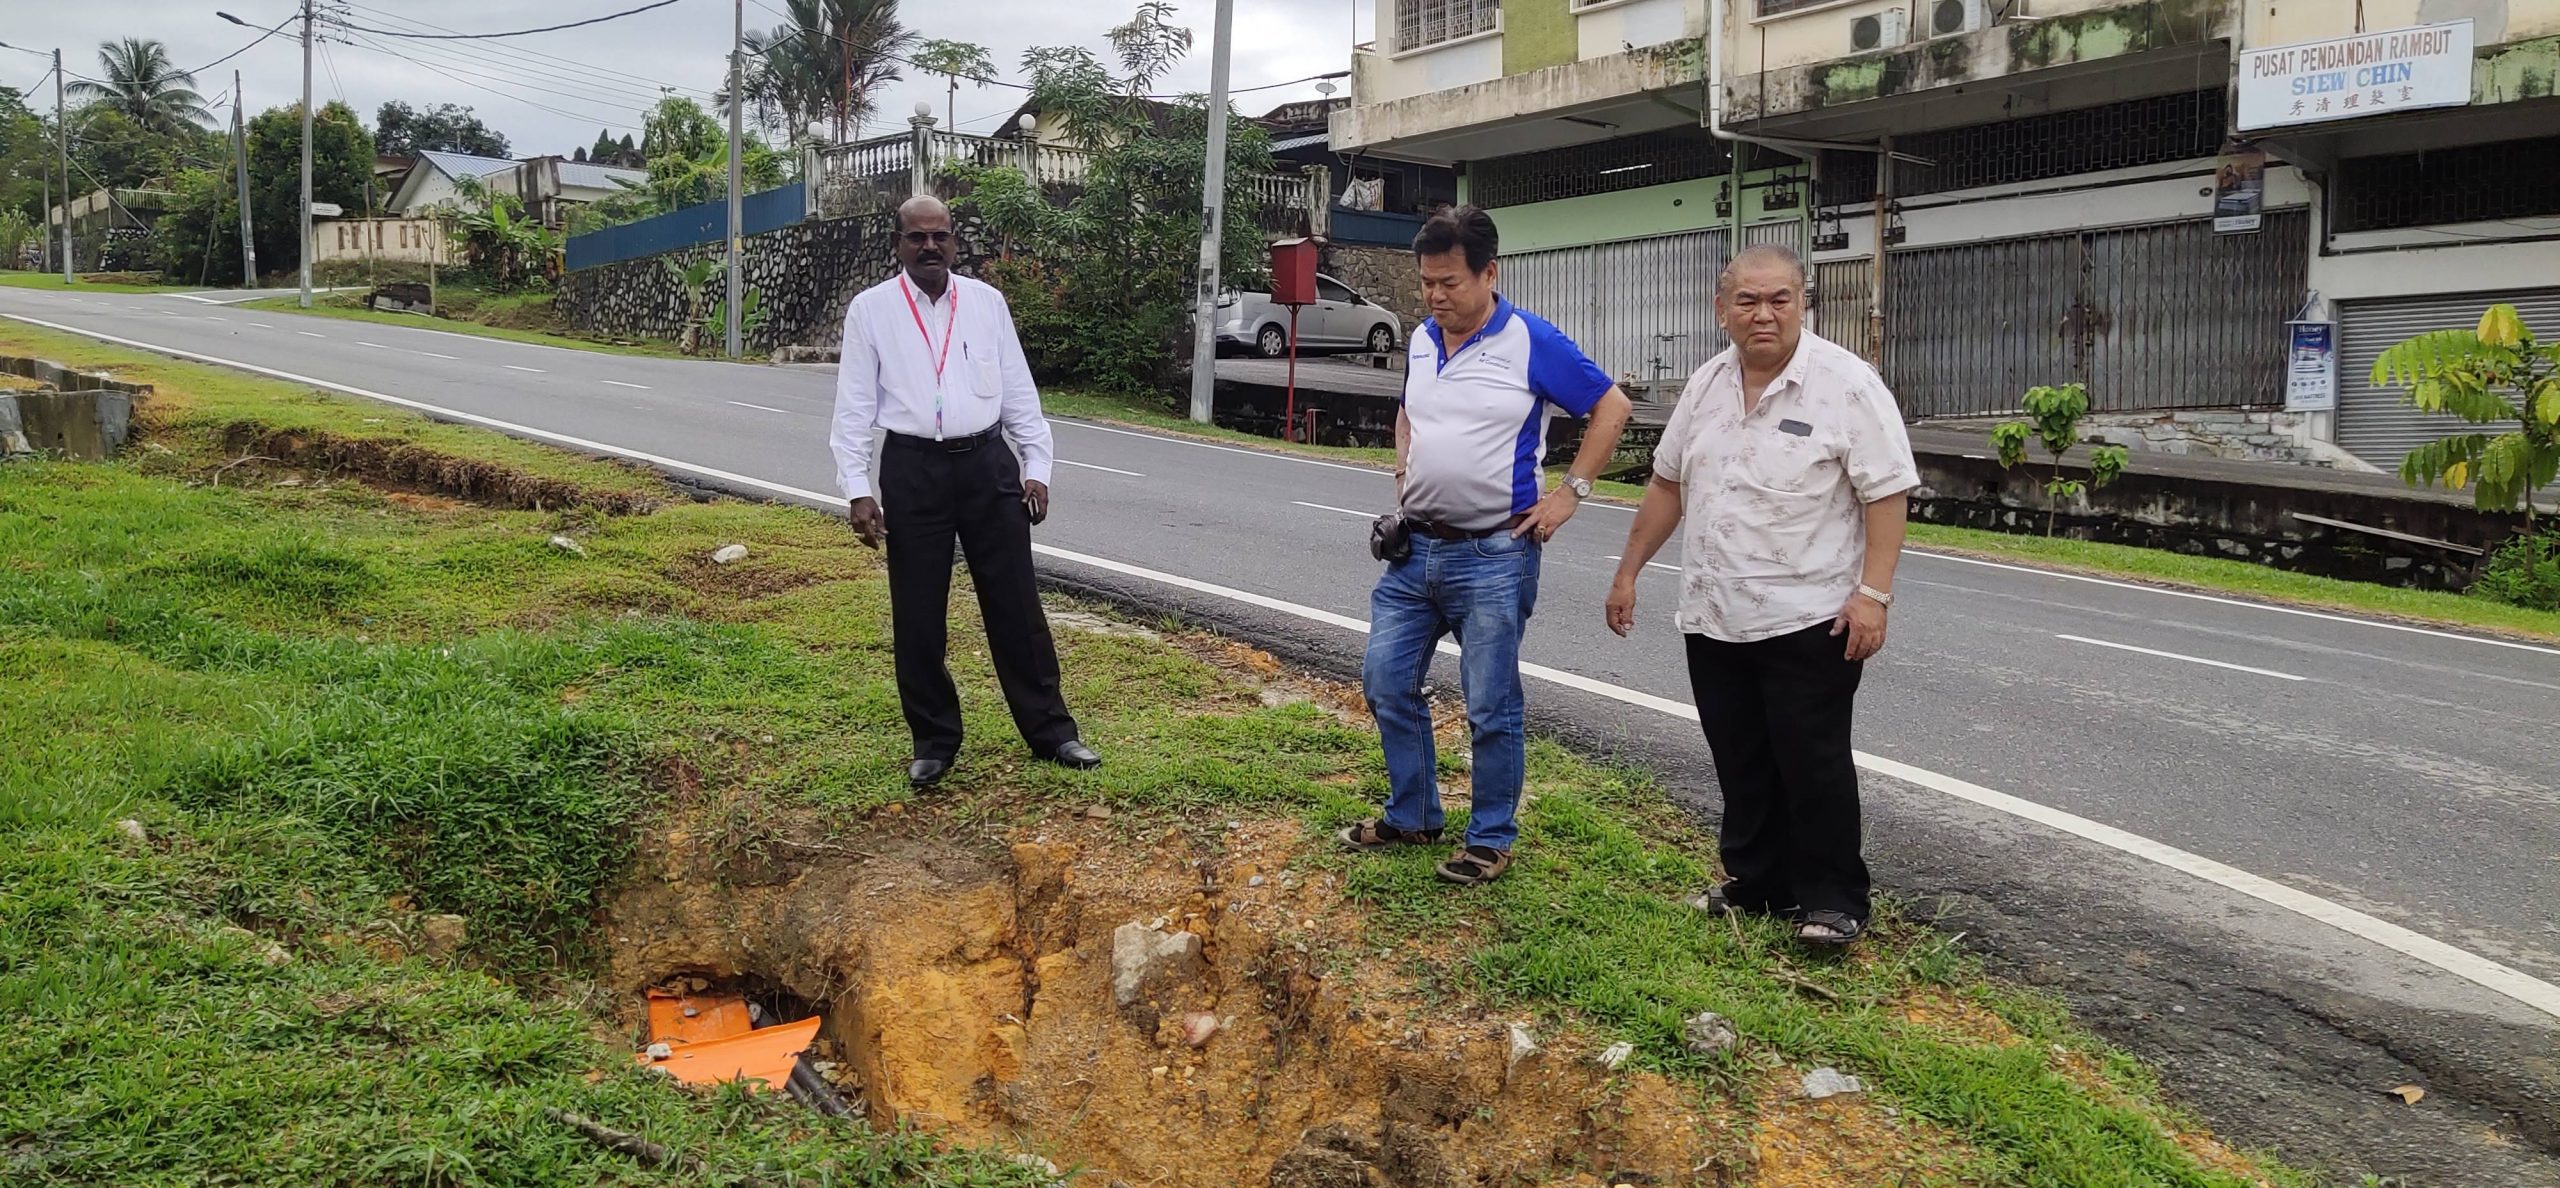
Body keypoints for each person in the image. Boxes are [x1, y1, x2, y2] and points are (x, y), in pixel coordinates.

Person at [1604, 244, 1918, 947]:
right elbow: (1667, 484)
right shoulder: (1706, 385)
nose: (1764, 314)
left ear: (1802, 303)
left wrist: (1874, 594)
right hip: (1715, 611)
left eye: (1779, 299)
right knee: (1740, 756)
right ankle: (1760, 885)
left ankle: (1835, 900)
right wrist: (1628, 571)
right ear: (1723, 311)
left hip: (1811, 615)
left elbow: (1886, 492)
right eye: (1747, 301)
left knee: (1811, 760)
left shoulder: (1847, 385)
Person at [1340, 205, 1634, 886]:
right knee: (1386, 680)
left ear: (1489, 273)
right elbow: (1411, 407)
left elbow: (1612, 406)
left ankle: (1490, 838)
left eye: (1449, 283)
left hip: (1494, 556)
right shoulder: (1421, 339)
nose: (1436, 296)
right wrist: (1403, 469)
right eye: (1427, 284)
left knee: (1489, 702)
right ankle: (1412, 814)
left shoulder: (1530, 340)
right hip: (1416, 552)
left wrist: (1571, 494)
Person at [830, 195, 1101, 789]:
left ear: (955, 242)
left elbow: (1018, 391)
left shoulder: (986, 304)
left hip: (986, 464)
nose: (930, 247)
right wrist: (858, 488)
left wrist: (1037, 466)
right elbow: (853, 409)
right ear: (897, 244)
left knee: (1016, 604)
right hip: (912, 468)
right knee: (919, 611)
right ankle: (933, 739)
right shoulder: (871, 311)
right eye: (917, 238)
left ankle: (1052, 732)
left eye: (941, 237)